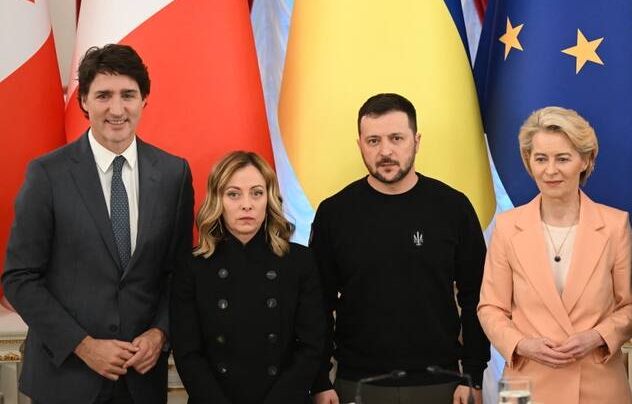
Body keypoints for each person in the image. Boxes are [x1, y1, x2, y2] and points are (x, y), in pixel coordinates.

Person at [3, 44, 194, 403]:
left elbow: (179, 272)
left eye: (128, 95)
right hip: (65, 379)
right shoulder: (47, 174)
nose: (117, 109)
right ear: (84, 101)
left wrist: (160, 333)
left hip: (140, 381)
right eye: (103, 95)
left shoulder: (173, 174)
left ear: (144, 100)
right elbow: (19, 278)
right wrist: (84, 346)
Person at [310, 93, 490, 404]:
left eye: (397, 138)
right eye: (374, 141)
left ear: (416, 141)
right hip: (357, 384)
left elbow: (478, 295)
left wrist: (473, 373)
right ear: (360, 145)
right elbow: (317, 304)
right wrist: (320, 380)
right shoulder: (334, 213)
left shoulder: (453, 207)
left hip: (442, 384)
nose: (385, 151)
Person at [478, 107, 632, 404]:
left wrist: (597, 337)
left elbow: (631, 306)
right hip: (524, 383)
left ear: (585, 160)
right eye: (540, 159)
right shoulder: (508, 227)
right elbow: (490, 308)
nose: (550, 170)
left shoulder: (615, 225)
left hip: (598, 383)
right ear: (529, 163)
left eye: (562, 158)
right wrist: (522, 344)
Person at [171, 151, 325, 403]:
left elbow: (311, 345)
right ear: (217, 199)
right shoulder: (192, 266)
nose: (247, 204)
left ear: (269, 198)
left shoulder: (299, 261)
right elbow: (188, 352)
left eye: (256, 192)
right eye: (233, 194)